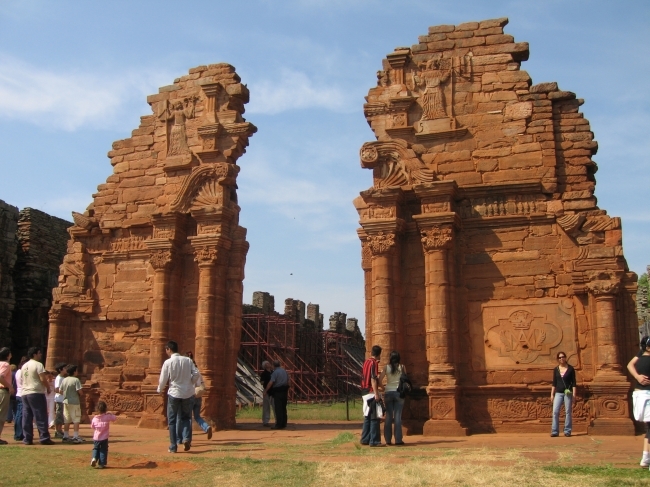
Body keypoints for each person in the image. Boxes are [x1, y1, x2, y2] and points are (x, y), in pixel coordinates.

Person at [157, 340, 198, 453]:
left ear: (169, 349)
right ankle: (186, 439)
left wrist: (160, 389)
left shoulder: (168, 362)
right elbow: (196, 373)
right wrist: (190, 382)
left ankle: (173, 446)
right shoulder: (188, 360)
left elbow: (163, 378)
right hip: (187, 393)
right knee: (186, 417)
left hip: (174, 393)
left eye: (166, 349)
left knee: (172, 420)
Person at [21, 346, 54, 445]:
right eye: (39, 353)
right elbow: (42, 378)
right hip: (35, 392)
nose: (40, 354)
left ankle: (27, 438)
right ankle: (44, 437)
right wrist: (48, 387)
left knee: (27, 416)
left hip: (25, 393)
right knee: (40, 415)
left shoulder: (24, 366)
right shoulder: (38, 365)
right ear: (34, 354)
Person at [628, 336, 650, 468]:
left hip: (638, 394)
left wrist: (637, 376)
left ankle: (645, 458)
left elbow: (629, 364)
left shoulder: (640, 355)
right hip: (647, 395)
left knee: (649, 428)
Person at [378, 350, 406, 446]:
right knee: (398, 417)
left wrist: (383, 387)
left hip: (388, 392)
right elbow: (405, 379)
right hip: (399, 393)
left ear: (390, 358)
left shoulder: (386, 367)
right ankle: (398, 440)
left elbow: (379, 380)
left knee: (388, 417)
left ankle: (388, 440)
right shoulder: (402, 367)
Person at [186, 351, 212, 440]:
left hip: (190, 395)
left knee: (187, 417)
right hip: (198, 395)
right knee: (197, 416)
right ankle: (206, 427)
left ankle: (187, 437)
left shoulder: (187, 372)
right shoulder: (197, 371)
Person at [550, 351, 577, 437]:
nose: (561, 358)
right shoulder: (556, 369)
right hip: (558, 392)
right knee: (555, 411)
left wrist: (574, 395)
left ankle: (567, 431)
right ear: (558, 359)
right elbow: (554, 383)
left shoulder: (571, 369)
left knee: (568, 412)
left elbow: (574, 383)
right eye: (560, 357)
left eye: (563, 357)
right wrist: (552, 394)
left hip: (568, 393)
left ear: (565, 358)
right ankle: (555, 431)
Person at [360, 345, 382, 447]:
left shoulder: (366, 362)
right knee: (374, 417)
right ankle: (374, 441)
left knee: (367, 416)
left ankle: (365, 439)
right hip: (370, 391)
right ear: (378, 354)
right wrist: (376, 393)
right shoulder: (374, 363)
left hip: (364, 391)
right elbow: (373, 378)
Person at [60, 364, 84, 443]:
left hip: (66, 401)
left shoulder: (64, 380)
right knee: (76, 419)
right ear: (74, 372)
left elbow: (60, 391)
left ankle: (65, 436)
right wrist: (80, 394)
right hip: (74, 402)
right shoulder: (76, 380)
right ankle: (75, 436)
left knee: (67, 419)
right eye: (76, 370)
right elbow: (80, 391)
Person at [90, 400, 117, 469]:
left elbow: (92, 426)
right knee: (103, 450)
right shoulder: (107, 416)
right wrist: (110, 413)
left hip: (96, 437)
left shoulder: (95, 418)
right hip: (104, 438)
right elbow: (114, 418)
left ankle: (94, 458)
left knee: (96, 448)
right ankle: (101, 463)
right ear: (105, 408)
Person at [264, 360, 289, 429]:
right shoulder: (284, 371)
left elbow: (271, 382)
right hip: (284, 390)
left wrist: (266, 390)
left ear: (273, 366)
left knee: (278, 408)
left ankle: (279, 424)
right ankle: (284, 423)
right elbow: (288, 380)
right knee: (283, 407)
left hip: (278, 391)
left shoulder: (275, 372)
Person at [0, 347, 14, 444]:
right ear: (8, 355)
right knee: (1, 415)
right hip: (2, 391)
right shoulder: (6, 364)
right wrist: (9, 386)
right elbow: (1, 376)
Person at [13, 356, 27, 441]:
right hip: (22, 393)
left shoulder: (18, 371)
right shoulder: (23, 371)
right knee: (21, 415)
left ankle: (18, 433)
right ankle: (19, 434)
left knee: (18, 414)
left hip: (18, 393)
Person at [53, 363, 68, 439]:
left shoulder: (63, 378)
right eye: (64, 368)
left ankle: (60, 430)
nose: (66, 369)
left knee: (62, 416)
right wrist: (66, 393)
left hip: (62, 399)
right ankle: (57, 431)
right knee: (58, 415)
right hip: (59, 399)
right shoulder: (59, 378)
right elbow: (56, 389)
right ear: (60, 370)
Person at [260, 361, 274, 427]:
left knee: (275, 406)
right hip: (266, 390)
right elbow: (261, 382)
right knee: (266, 407)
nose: (268, 364)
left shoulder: (273, 372)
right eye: (266, 364)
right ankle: (265, 421)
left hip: (273, 391)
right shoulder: (264, 373)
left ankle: (278, 420)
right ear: (264, 366)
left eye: (268, 363)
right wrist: (267, 383)